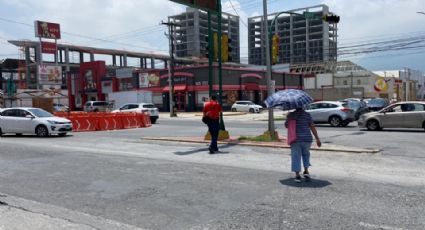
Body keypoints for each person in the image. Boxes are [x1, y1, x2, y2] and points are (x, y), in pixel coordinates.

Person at [285, 108, 321, 183]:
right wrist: (317, 139)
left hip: (295, 140)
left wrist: (288, 117)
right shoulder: (307, 115)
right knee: (306, 155)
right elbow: (312, 127)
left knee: (296, 156)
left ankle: (297, 175)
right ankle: (306, 171)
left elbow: (287, 126)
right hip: (307, 139)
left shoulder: (291, 115)